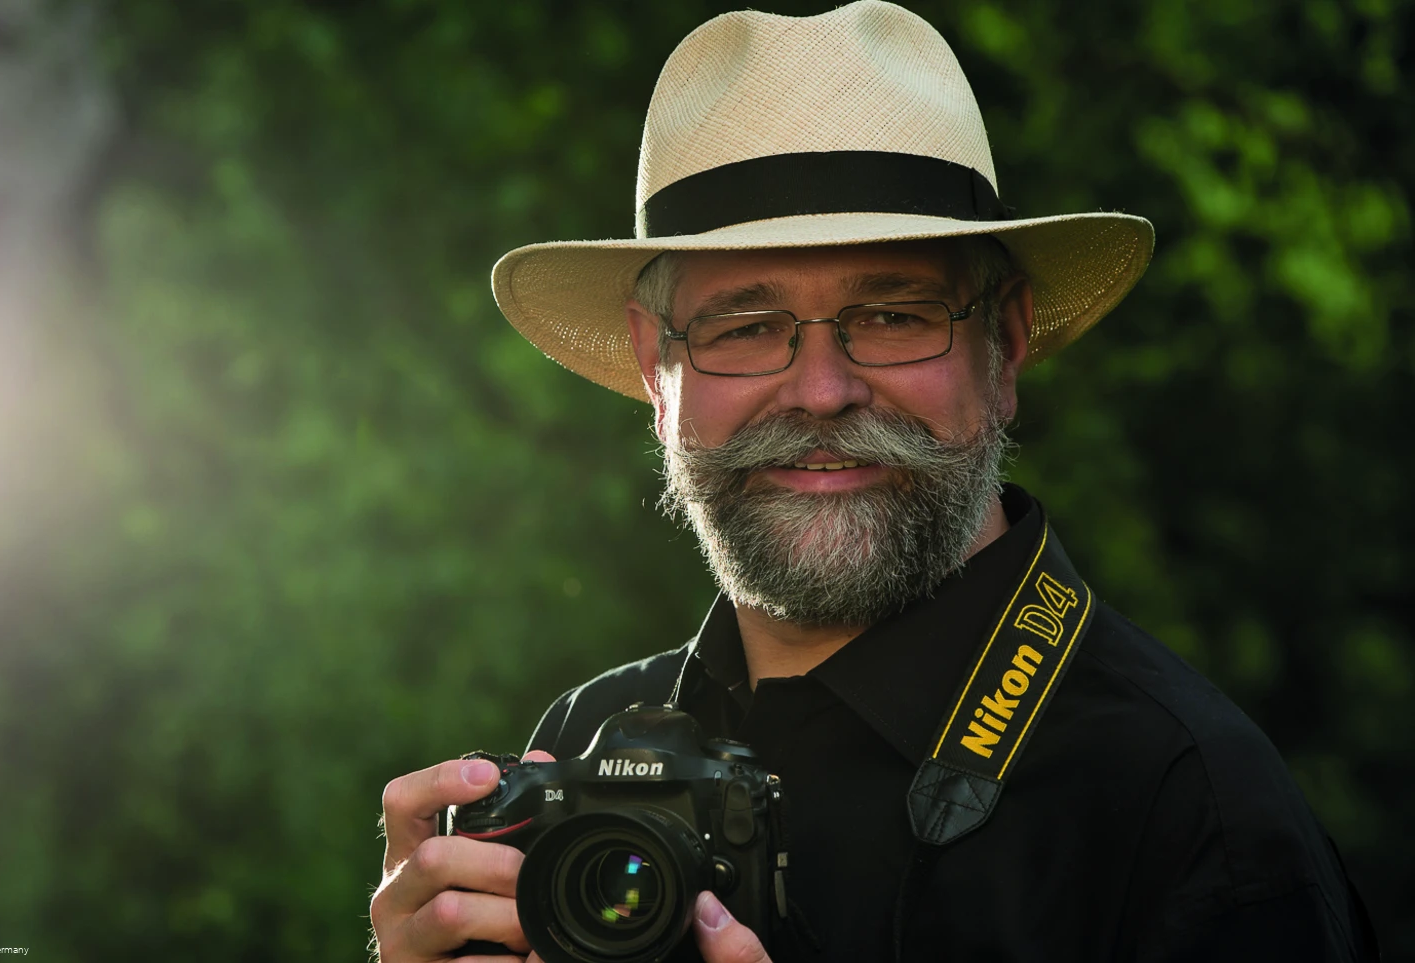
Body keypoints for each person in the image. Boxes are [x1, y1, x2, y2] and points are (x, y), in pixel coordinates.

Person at [369, 3, 1378, 961]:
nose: (820, 391)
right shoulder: (581, 754)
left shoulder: (1184, 809)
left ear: (1006, 344)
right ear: (653, 368)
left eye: (893, 314)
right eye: (745, 327)